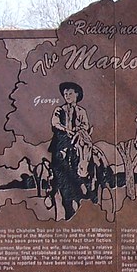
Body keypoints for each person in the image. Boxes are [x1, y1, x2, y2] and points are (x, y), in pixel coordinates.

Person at [48, 81, 98, 217]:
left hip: (78, 139)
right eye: (65, 94)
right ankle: (53, 185)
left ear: (77, 95)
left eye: (70, 93)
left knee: (90, 155)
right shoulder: (59, 110)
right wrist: (66, 129)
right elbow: (55, 123)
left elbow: (85, 125)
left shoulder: (81, 111)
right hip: (63, 141)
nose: (67, 96)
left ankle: (92, 182)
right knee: (59, 159)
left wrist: (78, 131)